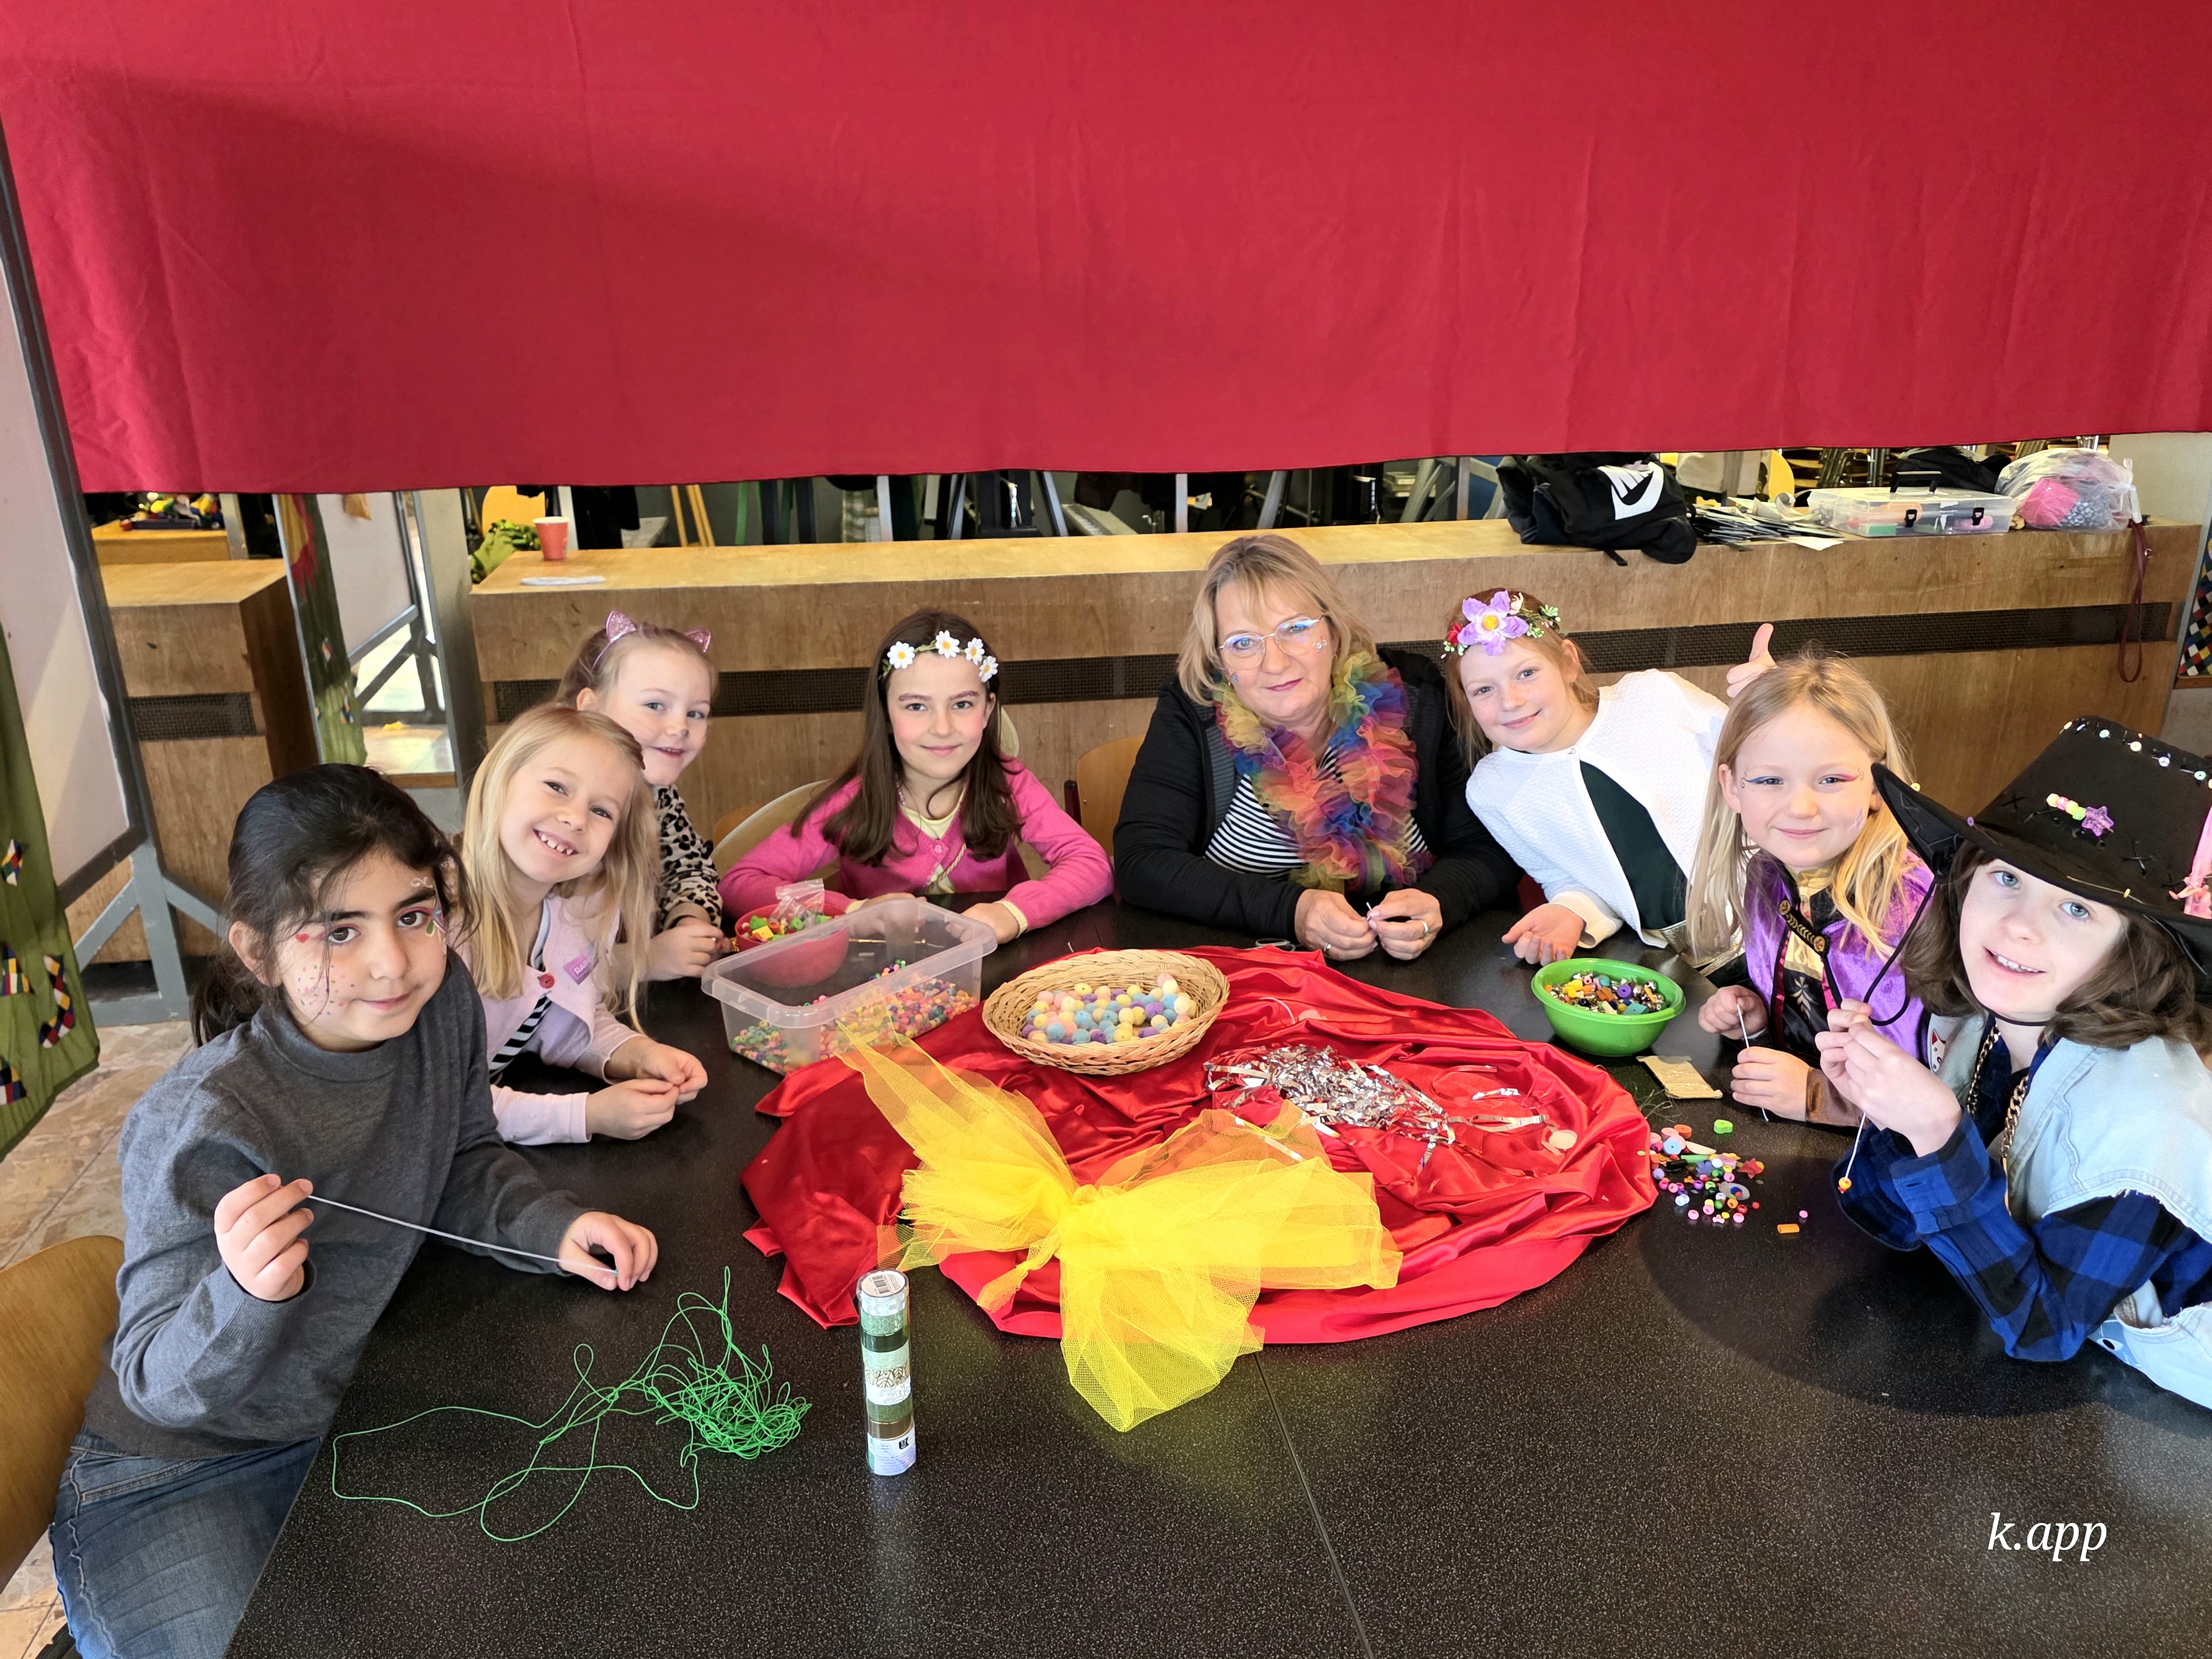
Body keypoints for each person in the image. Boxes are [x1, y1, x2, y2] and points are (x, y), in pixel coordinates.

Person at [48, 765, 657, 1659]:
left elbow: (460, 1157)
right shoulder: (204, 1121)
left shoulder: (440, 1004)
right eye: (339, 931)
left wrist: (550, 1227)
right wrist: (247, 1292)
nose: (391, 964)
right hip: (177, 1472)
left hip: (349, 1423)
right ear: (259, 953)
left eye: (413, 916)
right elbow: (155, 1383)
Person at [1817, 718, 2212, 1406]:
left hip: (2160, 1403)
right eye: (2005, 877)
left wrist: (1937, 1134)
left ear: (2134, 952)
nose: (2018, 925)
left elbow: (2043, 1330)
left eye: (2077, 910)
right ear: (1961, 885)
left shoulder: (2151, 1124)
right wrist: (1890, 1111)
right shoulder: (1980, 1020)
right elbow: (1897, 1220)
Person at [1114, 533, 1516, 959]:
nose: (1275, 663)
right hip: (1245, 969)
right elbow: (1143, 862)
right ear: (1220, 662)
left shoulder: (1418, 698)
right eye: (1243, 643)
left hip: (1413, 969)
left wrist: (1438, 901)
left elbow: (1491, 846)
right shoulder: (1192, 712)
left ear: (1334, 632)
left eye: (1296, 629)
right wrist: (1291, 911)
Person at [720, 611, 1111, 941]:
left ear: (988, 709)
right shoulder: (854, 800)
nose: (942, 728)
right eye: (916, 707)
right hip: (877, 985)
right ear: (887, 715)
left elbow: (1091, 865)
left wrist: (1013, 912)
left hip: (992, 977)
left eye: (962, 704)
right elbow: (742, 882)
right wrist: (853, 912)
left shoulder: (1010, 783)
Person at [1449, 593, 1775, 964]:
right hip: (1683, 965)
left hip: (1781, 919)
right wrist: (1571, 911)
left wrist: (1774, 706)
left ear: (1568, 662)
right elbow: (1565, 877)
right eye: (1484, 690)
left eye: (1527, 673)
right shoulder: (1492, 790)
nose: (1510, 701)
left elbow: (1769, 766)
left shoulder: (1655, 697)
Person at [1686, 654, 1929, 1123]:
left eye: (1831, 779)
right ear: (1732, 787)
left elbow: (1951, 1092)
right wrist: (1759, 1020)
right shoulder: (1767, 876)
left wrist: (1820, 1097)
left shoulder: (1912, 905)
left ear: (1878, 785)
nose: (1800, 807)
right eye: (1770, 780)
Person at [459, 703, 707, 1144]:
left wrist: (635, 1053)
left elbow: (562, 1018)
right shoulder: (434, 923)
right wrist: (584, 1116)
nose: (575, 818)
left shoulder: (577, 907)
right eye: (557, 787)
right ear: (500, 778)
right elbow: (437, 1104)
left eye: (602, 811)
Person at [556, 611, 727, 979]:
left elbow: (688, 868)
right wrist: (645, 961)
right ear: (591, 708)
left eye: (696, 713)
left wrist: (689, 920)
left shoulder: (656, 793)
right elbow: (538, 970)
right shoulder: (557, 810)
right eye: (655, 706)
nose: (680, 727)